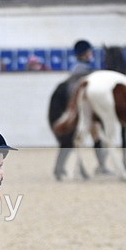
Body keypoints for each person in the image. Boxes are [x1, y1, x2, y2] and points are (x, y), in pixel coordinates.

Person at [50, 39, 111, 179]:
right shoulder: (81, 69)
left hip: (86, 109)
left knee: (96, 135)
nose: (91, 54)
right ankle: (60, 168)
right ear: (85, 53)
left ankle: (101, 165)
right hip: (80, 109)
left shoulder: (84, 67)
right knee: (72, 138)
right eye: (89, 51)